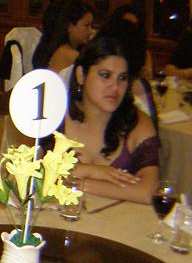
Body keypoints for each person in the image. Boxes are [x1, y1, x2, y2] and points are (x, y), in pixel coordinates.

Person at [63, 31, 159, 204]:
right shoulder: (56, 118)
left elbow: (147, 192)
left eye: (122, 78)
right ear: (81, 75)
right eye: (105, 75)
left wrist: (81, 182)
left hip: (120, 219)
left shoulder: (137, 123)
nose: (115, 87)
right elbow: (32, 175)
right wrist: (92, 171)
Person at [32, 0, 94, 83]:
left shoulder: (57, 48)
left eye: (91, 26)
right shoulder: (68, 54)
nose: (90, 31)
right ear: (70, 26)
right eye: (86, 25)